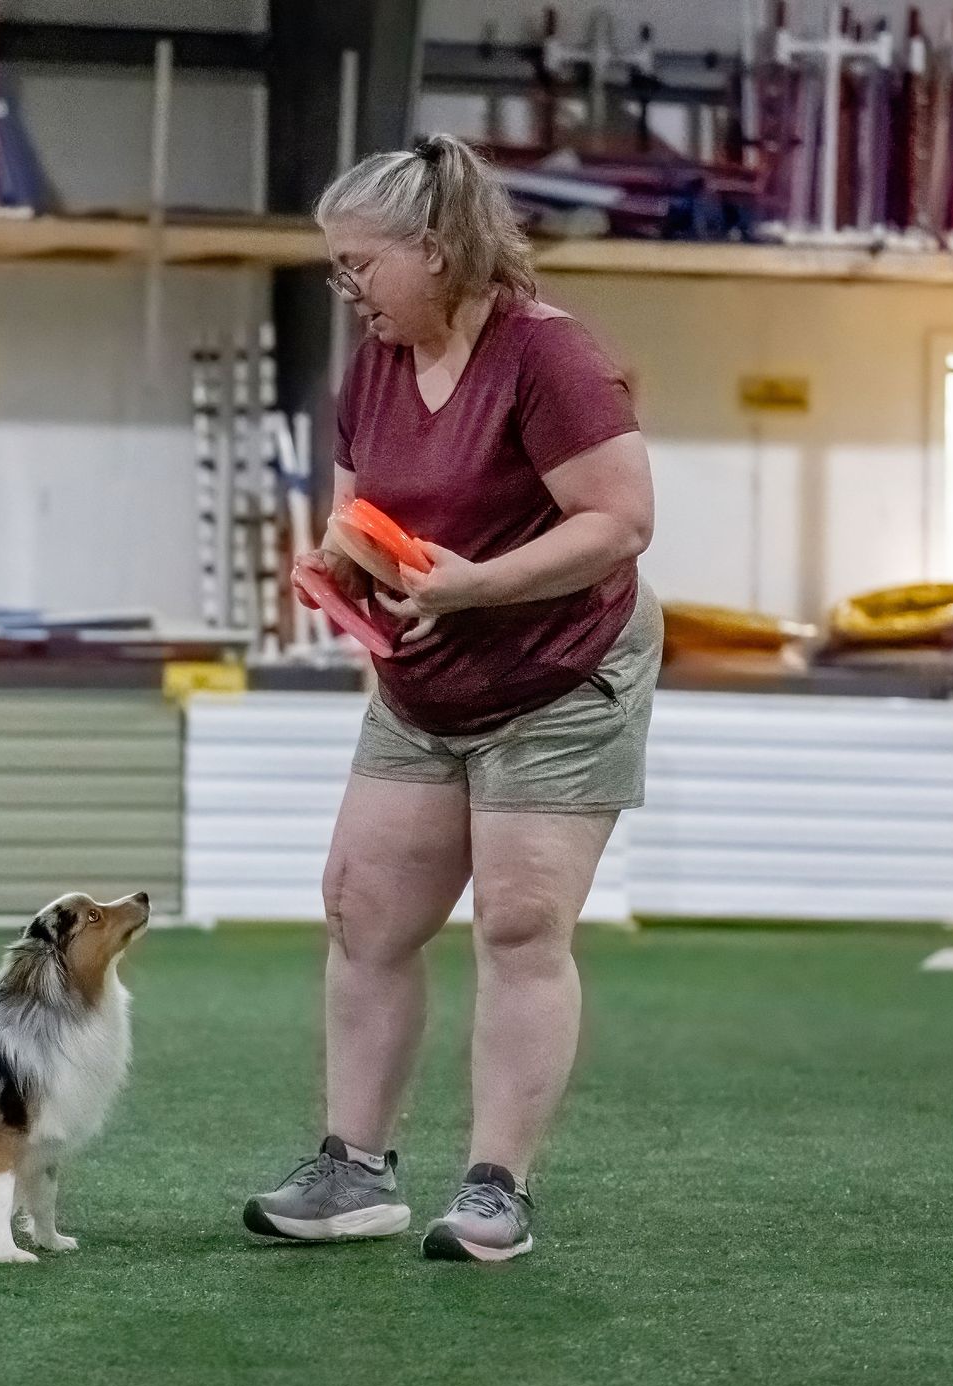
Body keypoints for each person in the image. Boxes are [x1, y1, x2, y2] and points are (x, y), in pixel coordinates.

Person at [243, 133, 662, 1263]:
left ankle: (495, 1187)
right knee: (363, 911)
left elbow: (618, 523)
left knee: (522, 922)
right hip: (424, 670)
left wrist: (477, 587)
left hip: (561, 669)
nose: (347, 289)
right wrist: (338, 573)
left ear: (434, 251)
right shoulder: (375, 359)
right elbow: (356, 514)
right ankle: (353, 1170)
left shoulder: (551, 359)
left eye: (358, 265)